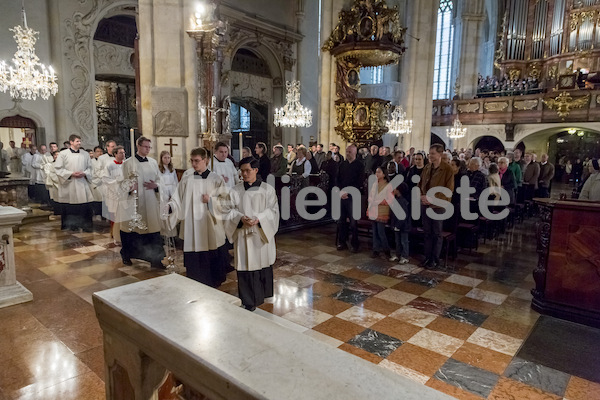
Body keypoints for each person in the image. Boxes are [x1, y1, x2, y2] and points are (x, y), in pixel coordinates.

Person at [222, 157, 279, 311]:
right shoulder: (235, 190)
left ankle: (263, 295)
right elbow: (227, 211)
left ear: (256, 170)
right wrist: (240, 218)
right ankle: (248, 300)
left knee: (261, 264)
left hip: (260, 234)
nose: (244, 174)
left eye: (248, 170)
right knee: (246, 265)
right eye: (242, 171)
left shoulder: (268, 190)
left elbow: (273, 210)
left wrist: (259, 219)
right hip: (243, 234)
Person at [166, 147, 229, 287]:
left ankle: (213, 280)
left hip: (209, 223)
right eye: (192, 161)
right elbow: (177, 197)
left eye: (197, 161)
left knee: (211, 249)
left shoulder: (216, 179)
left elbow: (226, 201)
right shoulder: (187, 179)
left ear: (205, 160)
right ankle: (195, 278)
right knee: (194, 251)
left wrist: (211, 201)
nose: (194, 164)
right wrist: (171, 206)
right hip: (191, 224)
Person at [119, 136, 165, 269]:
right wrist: (129, 187)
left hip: (150, 201)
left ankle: (156, 260)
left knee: (153, 230)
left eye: (149, 147)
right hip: (134, 202)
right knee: (133, 231)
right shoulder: (128, 163)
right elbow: (121, 182)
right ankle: (127, 255)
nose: (148, 149)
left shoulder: (153, 162)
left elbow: (159, 179)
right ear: (138, 146)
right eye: (145, 147)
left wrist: (156, 186)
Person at [419, 144, 454, 270]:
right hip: (425, 204)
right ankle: (427, 257)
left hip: (438, 206)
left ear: (440, 154)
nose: (430, 156)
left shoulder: (447, 169)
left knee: (437, 233)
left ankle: (435, 259)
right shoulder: (427, 167)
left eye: (433, 153)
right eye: (429, 153)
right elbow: (421, 184)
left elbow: (448, 191)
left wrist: (432, 199)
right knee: (427, 232)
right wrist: (422, 196)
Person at [54, 134, 94, 231]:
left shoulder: (85, 154)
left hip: (82, 182)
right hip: (70, 183)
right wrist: (71, 174)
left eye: (80, 141)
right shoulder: (63, 154)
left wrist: (84, 173)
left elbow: (91, 168)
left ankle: (85, 225)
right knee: (70, 205)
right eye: (77, 141)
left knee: (84, 205)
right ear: (71, 142)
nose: (79, 143)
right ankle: (71, 226)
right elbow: (58, 168)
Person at [336, 144, 364, 252]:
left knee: (353, 222)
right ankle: (342, 242)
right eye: (347, 152)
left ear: (355, 152)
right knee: (341, 220)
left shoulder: (359, 165)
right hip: (342, 196)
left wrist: (348, 192)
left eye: (350, 152)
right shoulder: (342, 164)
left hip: (353, 197)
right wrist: (340, 191)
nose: (347, 154)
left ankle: (355, 244)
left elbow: (359, 181)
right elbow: (337, 179)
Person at [367, 166, 394, 259]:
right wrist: (371, 200)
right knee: (374, 232)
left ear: (384, 174)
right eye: (376, 172)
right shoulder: (375, 184)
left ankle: (386, 250)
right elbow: (370, 195)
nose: (376, 174)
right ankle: (376, 250)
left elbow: (390, 199)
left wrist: (378, 201)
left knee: (381, 232)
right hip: (373, 209)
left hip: (382, 211)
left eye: (379, 172)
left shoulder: (388, 185)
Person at [103, 146, 126, 241]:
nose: (123, 154)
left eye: (124, 152)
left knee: (124, 214)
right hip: (113, 193)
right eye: (120, 153)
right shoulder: (109, 165)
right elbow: (106, 179)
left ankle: (123, 232)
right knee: (114, 213)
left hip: (124, 193)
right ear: (115, 154)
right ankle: (114, 232)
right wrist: (117, 183)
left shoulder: (126, 164)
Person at [390, 182, 411, 263]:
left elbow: (403, 215)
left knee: (404, 241)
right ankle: (398, 254)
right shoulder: (396, 200)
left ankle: (405, 256)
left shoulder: (403, 201)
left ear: (399, 190)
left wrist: (398, 225)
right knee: (397, 241)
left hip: (403, 226)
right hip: (397, 225)